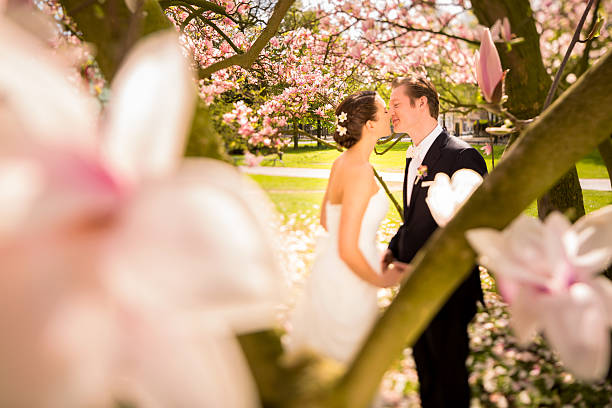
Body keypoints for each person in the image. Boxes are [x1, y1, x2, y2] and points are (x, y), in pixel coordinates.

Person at [382, 76, 487, 407]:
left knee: (450, 380)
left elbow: (471, 228)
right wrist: (393, 247)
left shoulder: (461, 156)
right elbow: (416, 218)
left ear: (421, 103)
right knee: (427, 377)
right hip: (414, 287)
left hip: (448, 290)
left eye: (396, 104)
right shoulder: (411, 157)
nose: (390, 112)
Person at [287, 90, 409, 364]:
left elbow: (326, 221)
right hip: (349, 282)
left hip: (333, 272)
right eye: (383, 111)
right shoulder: (359, 171)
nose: (390, 114)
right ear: (370, 126)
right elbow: (346, 246)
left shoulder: (341, 163)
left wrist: (369, 249)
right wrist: (382, 280)